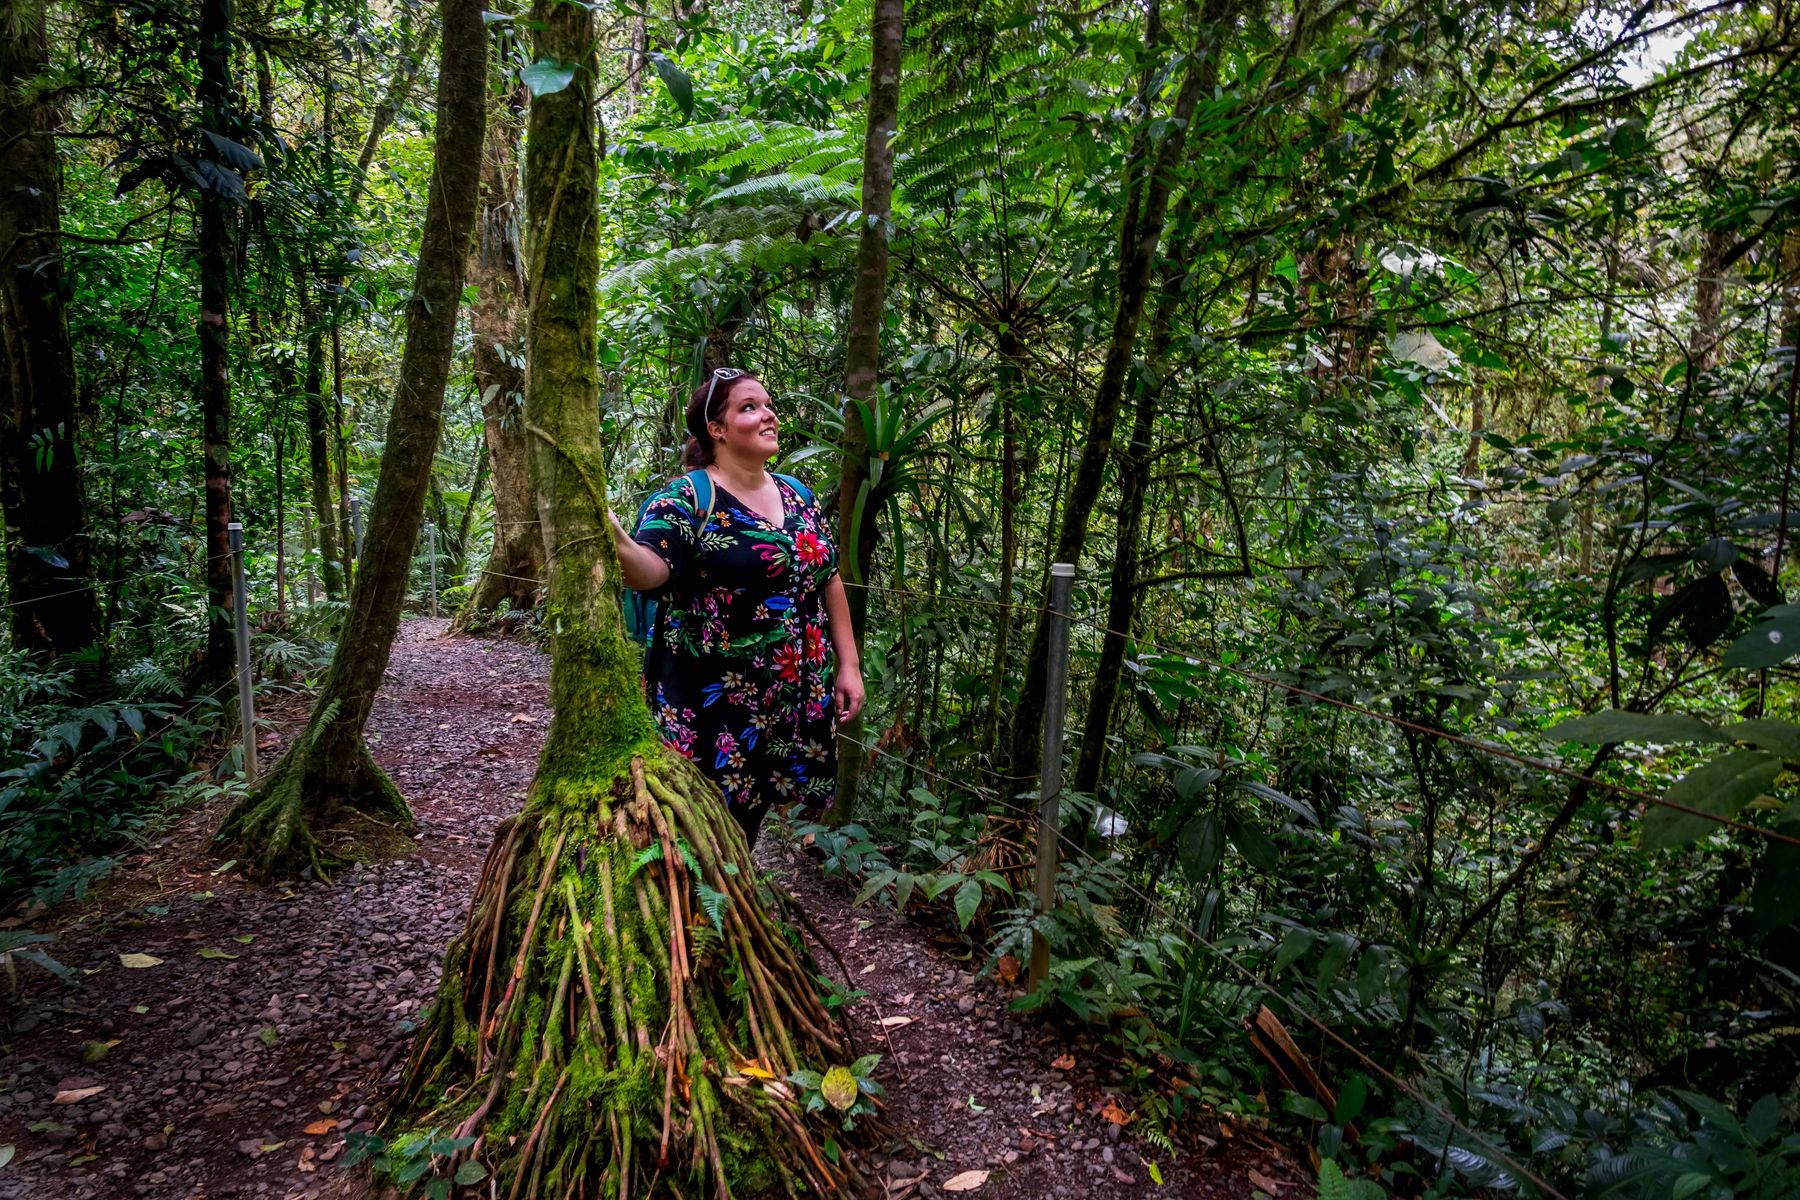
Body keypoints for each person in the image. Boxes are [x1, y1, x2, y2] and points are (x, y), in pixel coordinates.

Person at [610, 367, 865, 848]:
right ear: (717, 430)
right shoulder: (686, 498)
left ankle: (730, 902)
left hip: (788, 695)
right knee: (700, 817)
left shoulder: (798, 495)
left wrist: (849, 666)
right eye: (748, 407)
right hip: (710, 700)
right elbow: (651, 569)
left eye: (767, 405)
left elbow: (828, 577)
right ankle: (700, 910)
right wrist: (617, 540)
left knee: (752, 813)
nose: (767, 415)